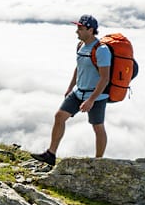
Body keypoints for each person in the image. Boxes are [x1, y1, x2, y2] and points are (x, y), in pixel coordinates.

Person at [31, 14, 111, 166]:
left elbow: (104, 78)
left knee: (97, 126)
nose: (77, 31)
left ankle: (99, 162)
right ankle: (51, 154)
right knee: (59, 116)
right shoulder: (81, 46)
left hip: (97, 95)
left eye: (80, 28)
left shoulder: (102, 50)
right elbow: (79, 67)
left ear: (91, 30)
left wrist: (91, 100)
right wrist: (70, 87)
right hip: (79, 91)